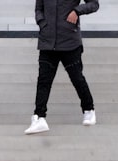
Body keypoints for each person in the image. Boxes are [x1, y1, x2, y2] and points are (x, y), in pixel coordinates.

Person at [25, 0, 99, 134]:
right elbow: (38, 9)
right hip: (47, 42)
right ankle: (39, 117)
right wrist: (42, 23)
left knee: (77, 78)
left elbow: (94, 4)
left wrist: (77, 11)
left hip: (69, 41)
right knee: (43, 81)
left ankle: (89, 109)